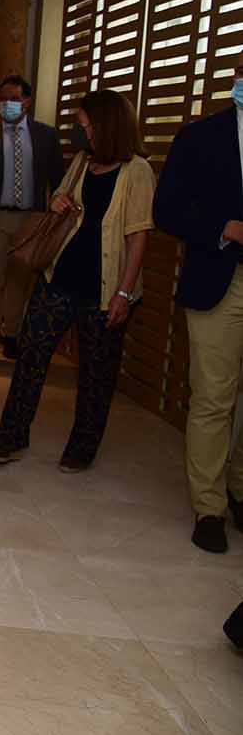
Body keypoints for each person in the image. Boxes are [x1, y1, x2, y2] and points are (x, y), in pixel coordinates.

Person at [0, 89, 153, 473]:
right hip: (57, 277)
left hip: (105, 288)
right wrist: (57, 201)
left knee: (96, 375)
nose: (82, 132)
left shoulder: (137, 171)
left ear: (106, 126)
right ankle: (11, 438)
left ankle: (82, 448)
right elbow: (61, 199)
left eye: (86, 125)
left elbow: (138, 236)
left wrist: (124, 292)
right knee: (30, 358)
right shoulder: (81, 161)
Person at [153, 50, 243, 553]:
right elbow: (166, 209)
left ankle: (240, 488)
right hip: (220, 277)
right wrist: (222, 228)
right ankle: (209, 506)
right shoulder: (200, 137)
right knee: (213, 395)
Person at [0, 75, 66, 369]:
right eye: (3, 99)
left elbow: (58, 178)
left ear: (27, 101)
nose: (7, 104)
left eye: (14, 99)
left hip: (31, 219)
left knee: (20, 281)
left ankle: (12, 335)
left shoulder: (45, 136)